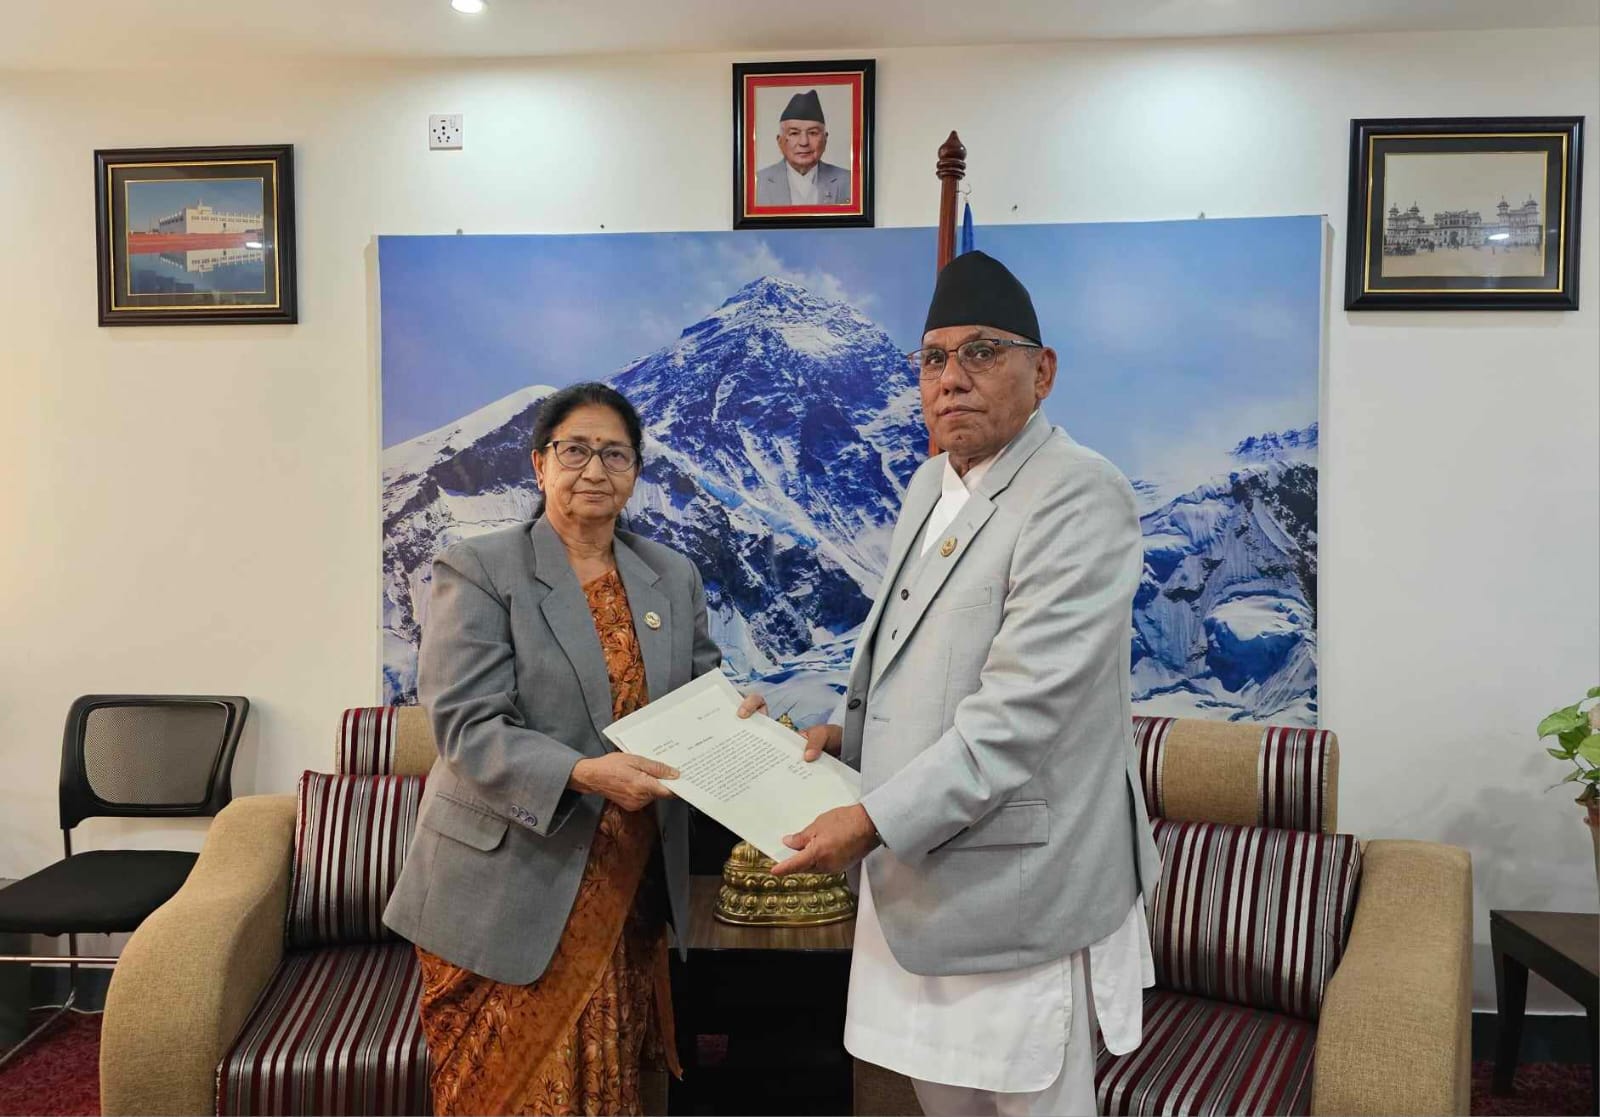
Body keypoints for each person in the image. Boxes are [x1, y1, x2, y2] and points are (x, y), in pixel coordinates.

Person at [740, 251, 1161, 1116]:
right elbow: (916, 664)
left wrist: (867, 820)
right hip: (921, 885)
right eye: (933, 358)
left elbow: (1017, 719)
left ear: (1043, 372)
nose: (951, 378)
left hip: (1017, 893)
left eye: (981, 352)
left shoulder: (1080, 495)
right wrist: (846, 740)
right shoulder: (930, 484)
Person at [384, 382, 721, 1116]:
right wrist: (584, 773)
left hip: (626, 884)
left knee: (605, 1088)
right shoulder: (480, 568)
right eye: (575, 450)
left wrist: (736, 717)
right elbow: (466, 725)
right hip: (506, 883)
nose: (594, 470)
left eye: (615, 454)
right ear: (539, 464)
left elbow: (701, 696)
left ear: (635, 471)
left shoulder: (671, 575)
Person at [753, 88, 852, 206]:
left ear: (825, 139)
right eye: (794, 133)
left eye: (813, 133)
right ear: (780, 141)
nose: (804, 142)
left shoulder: (850, 181)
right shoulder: (757, 183)